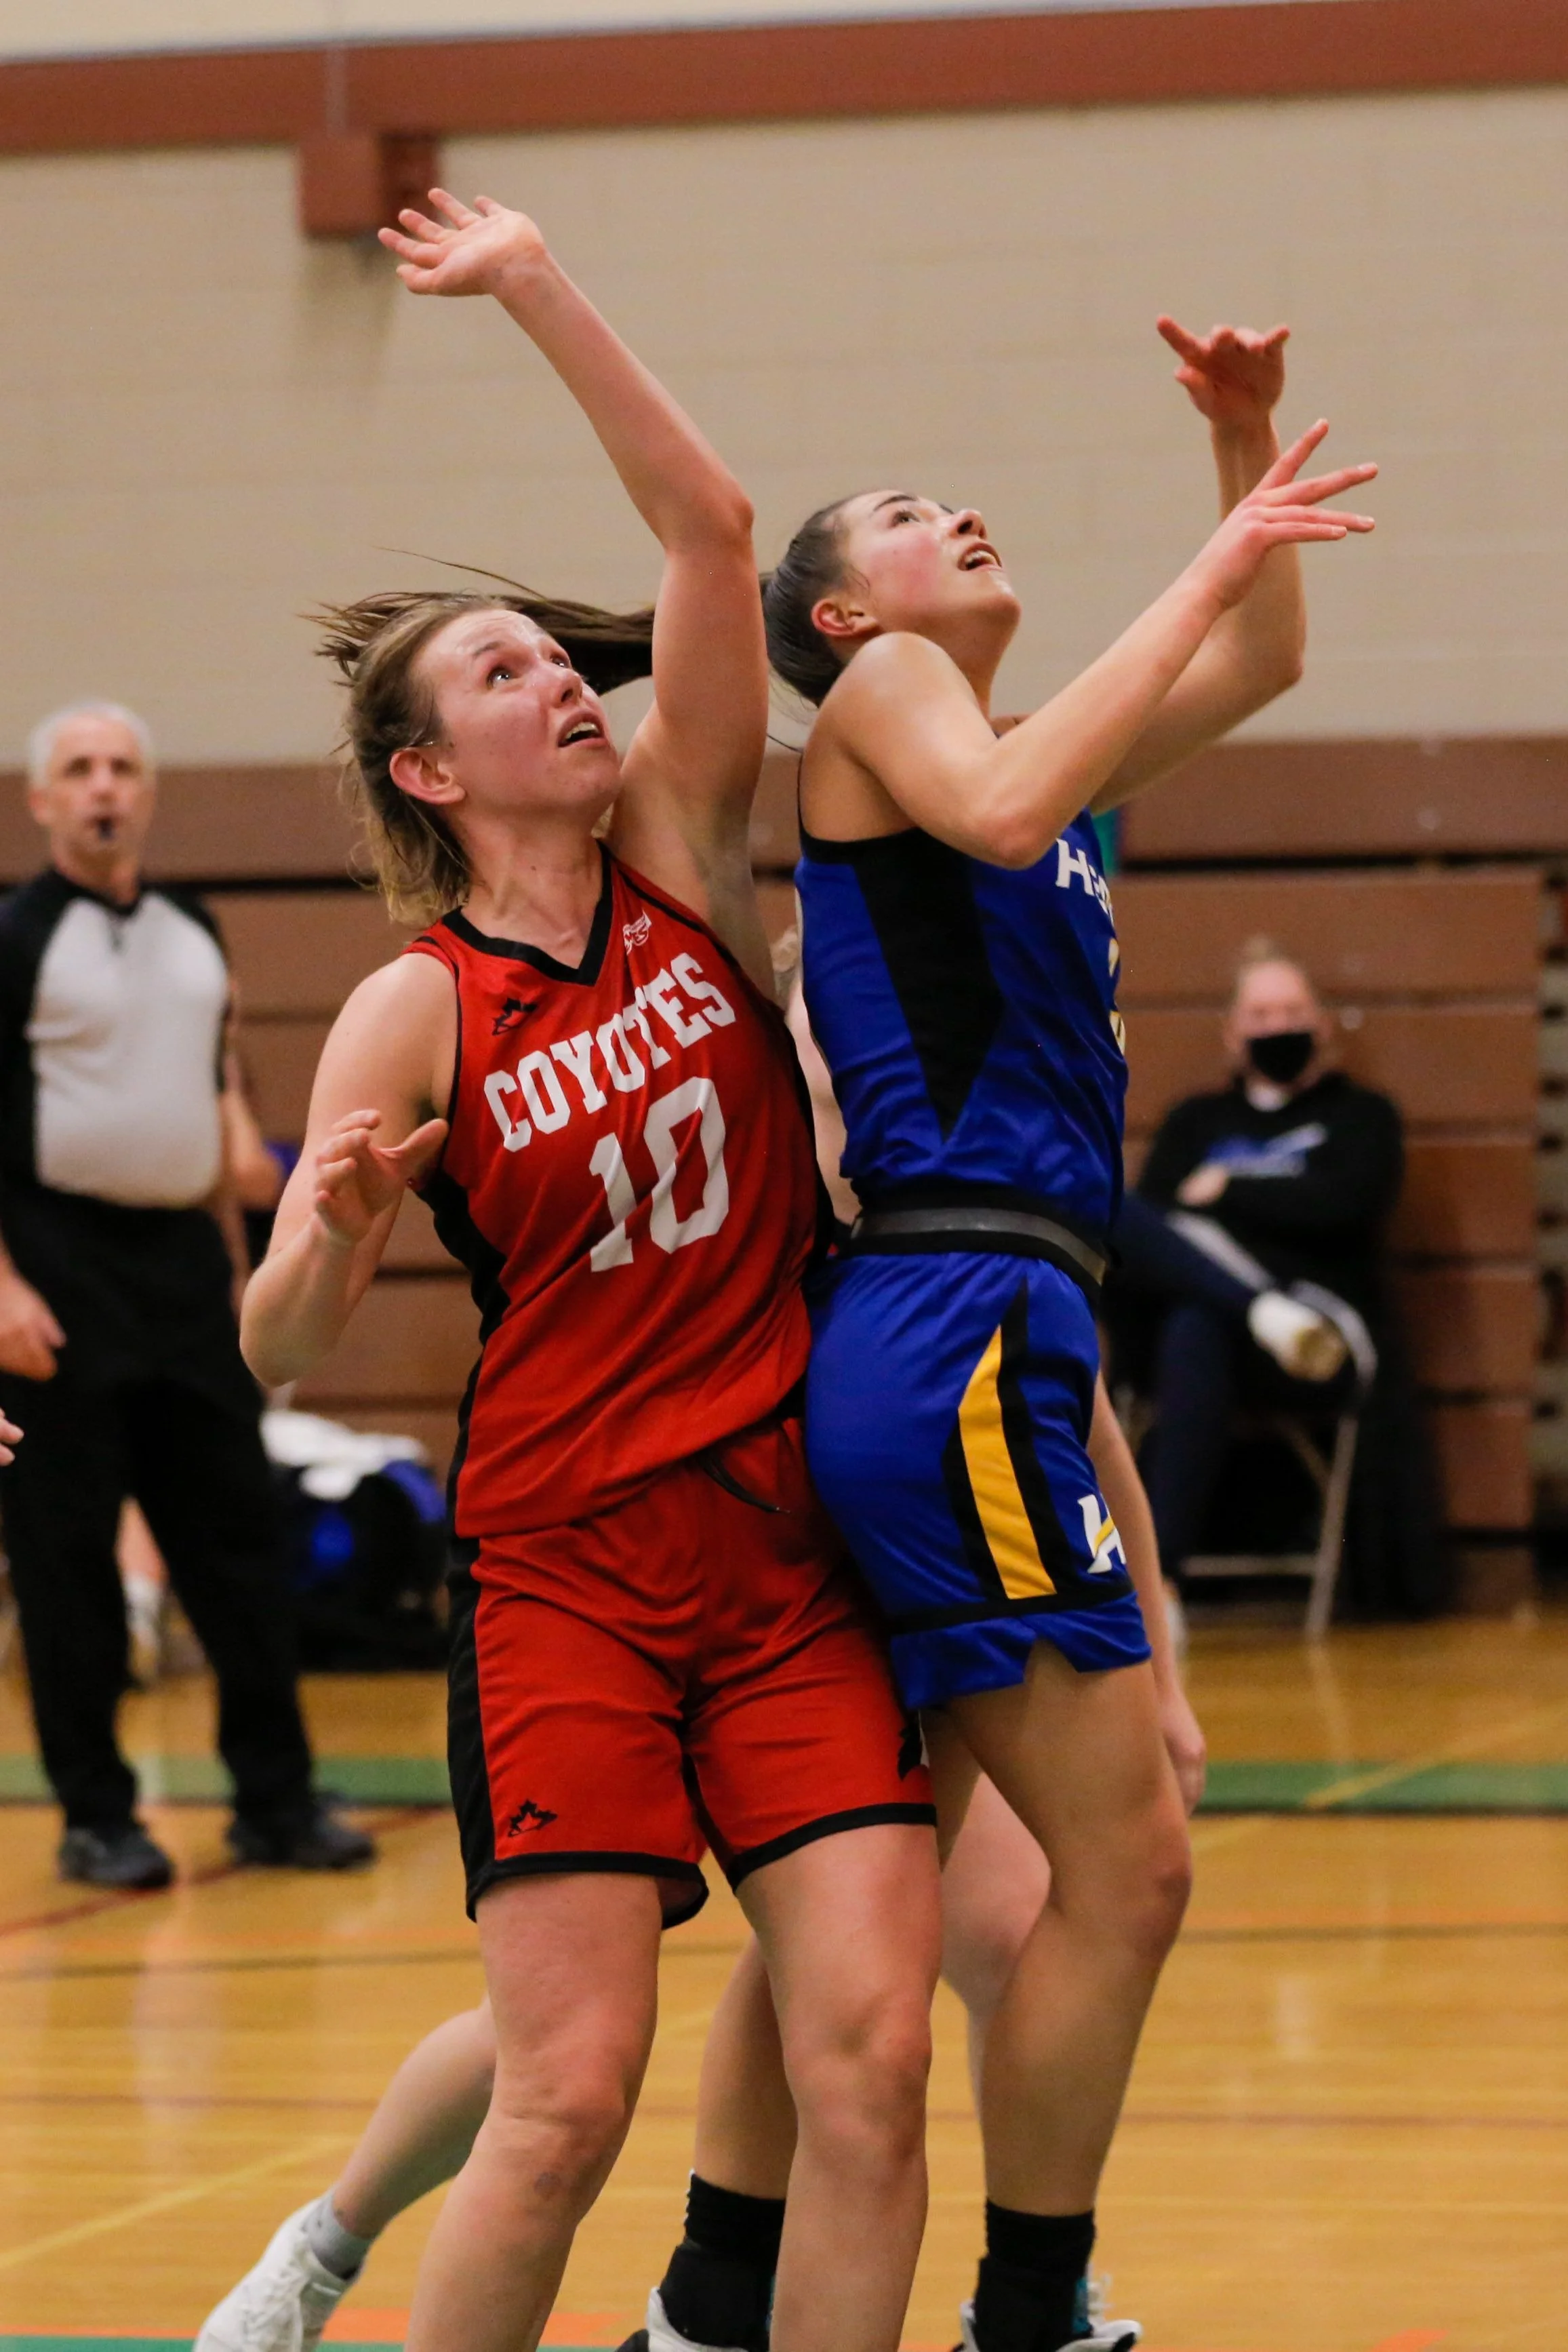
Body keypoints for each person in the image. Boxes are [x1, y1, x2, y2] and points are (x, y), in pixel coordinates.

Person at [229, 190, 942, 2352]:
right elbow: (277, 1338)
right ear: (431, 775)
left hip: (781, 1545)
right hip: (566, 1572)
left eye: (555, 656)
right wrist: (339, 1231)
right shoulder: (416, 1003)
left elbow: (713, 535)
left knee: (880, 2068)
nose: (561, 678)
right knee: (565, 2098)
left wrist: (535, 283)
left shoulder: (675, 851)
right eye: (505, 675)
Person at [646, 321, 1371, 2352]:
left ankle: (712, 2300)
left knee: (866, 1879)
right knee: (1128, 1869)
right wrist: (1217, 551)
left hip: (985, 1328)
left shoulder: (1011, 752)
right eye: (901, 516)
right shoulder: (899, 708)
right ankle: (1033, 2309)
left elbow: (1264, 669)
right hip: (956, 1315)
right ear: (839, 613)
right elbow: (1012, 793)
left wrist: (1241, 455)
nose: (952, 510)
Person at [193, 946, 1193, 2352]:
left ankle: (778, 2294)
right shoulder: (738, 1099)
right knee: (556, 2056)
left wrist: (1159, 1647)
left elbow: (1066, 1402)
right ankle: (331, 2234)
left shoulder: (934, 1192)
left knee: (875, 1989)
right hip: (621, 1572)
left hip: (835, 1593)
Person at [0, 702, 376, 1890]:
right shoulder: (16, 938)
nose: (104, 785)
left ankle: (274, 1797)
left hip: (181, 1275)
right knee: (67, 1566)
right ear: (42, 799)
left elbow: (218, 1104)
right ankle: (97, 1813)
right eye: (79, 768)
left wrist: (244, 1265)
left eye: (122, 765)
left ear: (148, 794)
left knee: (238, 1544)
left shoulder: (193, 930)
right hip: (51, 1271)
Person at [1122, 939, 1441, 1613]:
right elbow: (1155, 1229)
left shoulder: (1361, 1117)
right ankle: (1166, 1592)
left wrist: (1229, 1189)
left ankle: (1155, 1588)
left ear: (1323, 1026)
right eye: (1261, 1015)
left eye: (1293, 1011)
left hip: (1318, 1339)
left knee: (1195, 1318)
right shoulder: (1194, 1121)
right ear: (1233, 1034)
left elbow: (1344, 1207)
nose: (1279, 1027)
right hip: (1208, 1341)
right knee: (1178, 1305)